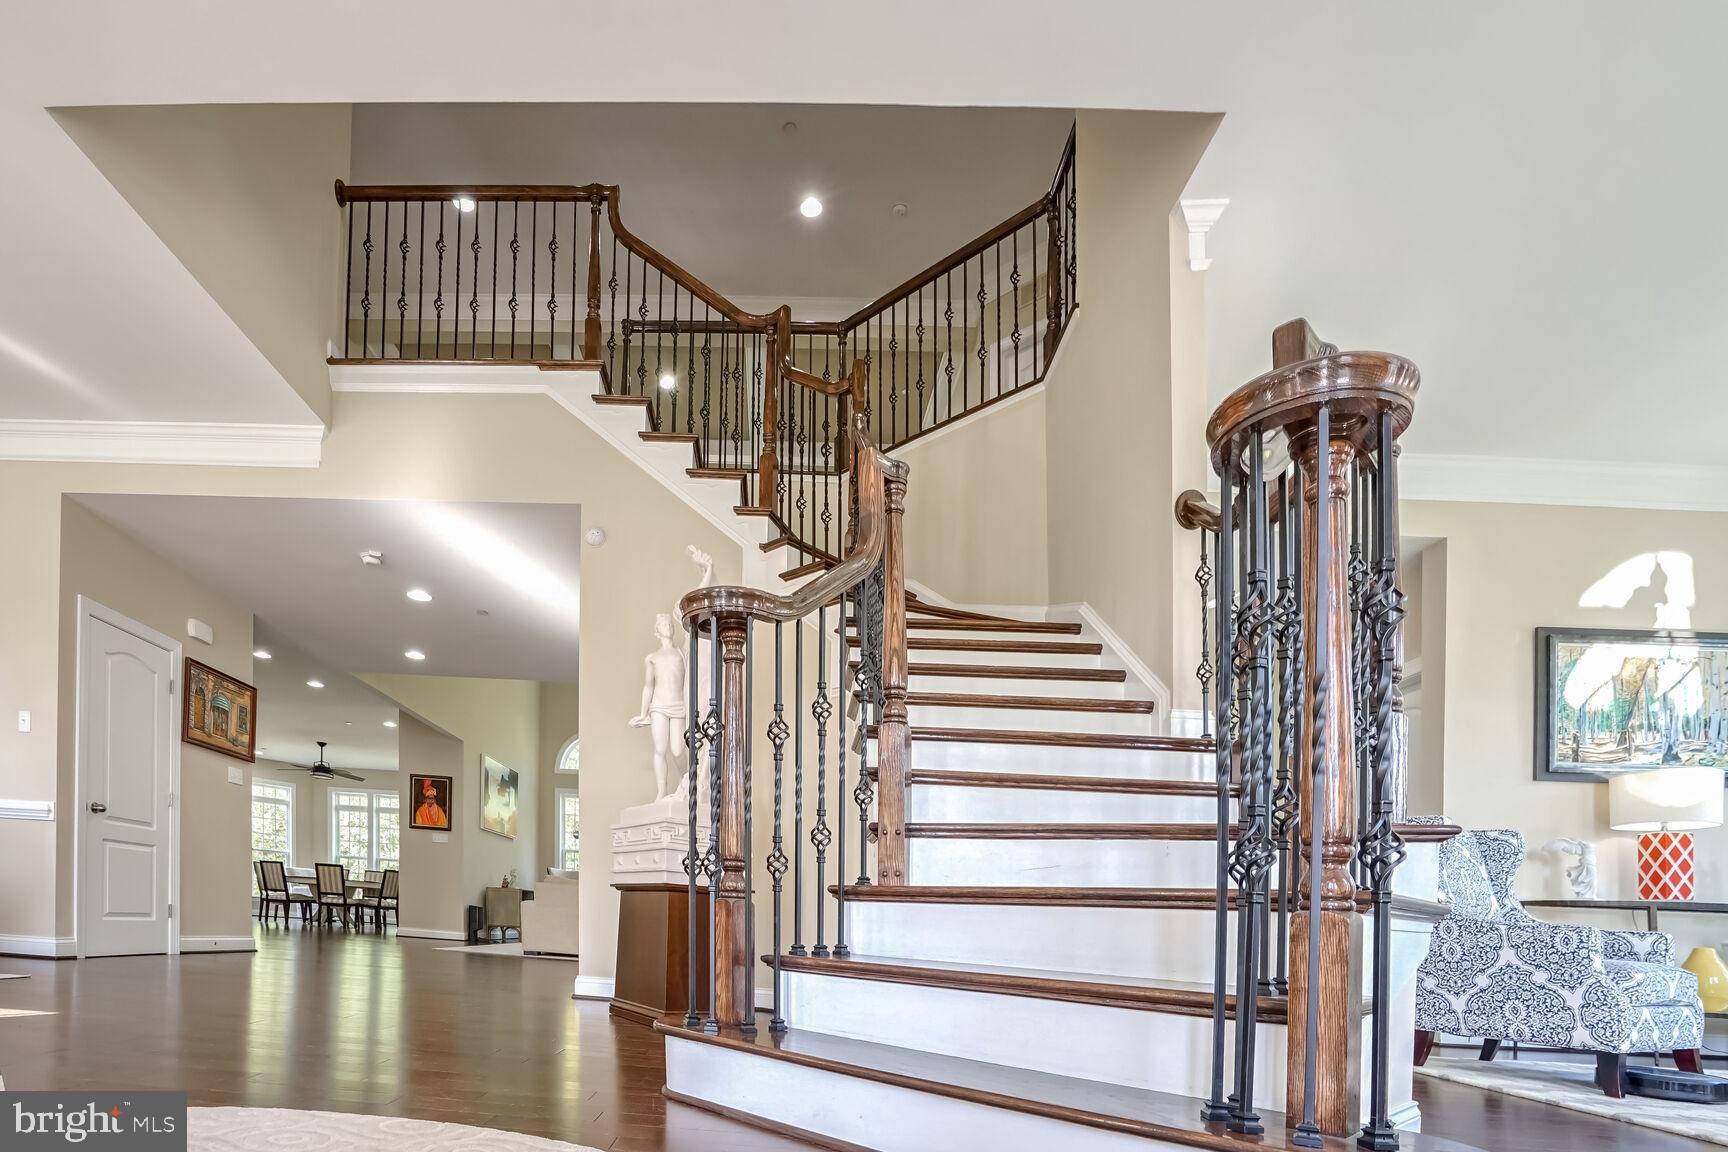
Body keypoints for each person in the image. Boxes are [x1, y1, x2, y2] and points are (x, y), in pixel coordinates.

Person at [629, 546, 714, 801]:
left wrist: (707, 570)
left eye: (669, 623)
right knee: (660, 748)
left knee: (679, 750)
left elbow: (694, 603)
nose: (667, 626)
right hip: (658, 705)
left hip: (678, 705)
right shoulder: (653, 657)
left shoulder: (682, 651)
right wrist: (643, 713)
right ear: (657, 631)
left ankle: (689, 780)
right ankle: (661, 791)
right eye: (662, 624)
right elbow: (648, 686)